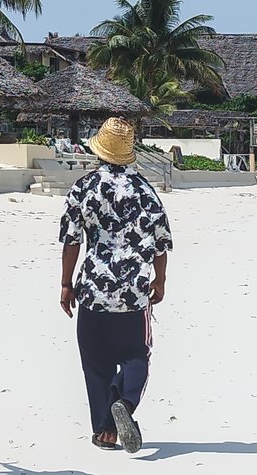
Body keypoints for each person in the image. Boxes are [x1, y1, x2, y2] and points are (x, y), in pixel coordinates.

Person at [58, 117, 172, 452]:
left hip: (93, 287)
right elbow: (161, 242)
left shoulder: (84, 187)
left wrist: (66, 283)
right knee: (137, 355)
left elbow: (71, 240)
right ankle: (124, 403)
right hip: (133, 292)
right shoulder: (146, 191)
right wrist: (160, 280)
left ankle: (104, 430)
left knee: (95, 363)